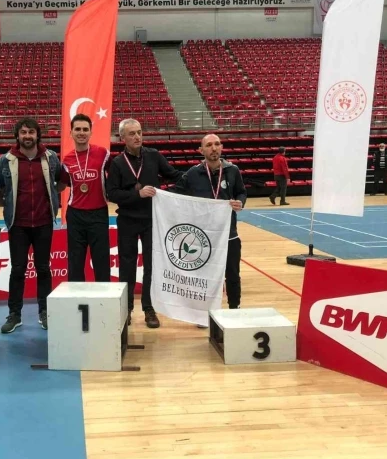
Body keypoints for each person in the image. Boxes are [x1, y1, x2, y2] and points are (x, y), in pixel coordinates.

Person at [106, 118, 184, 329]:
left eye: (139, 132)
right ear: (122, 137)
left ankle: (149, 308)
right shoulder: (117, 163)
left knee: (152, 266)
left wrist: (199, 173)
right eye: (132, 133)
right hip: (128, 220)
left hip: (152, 220)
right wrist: (137, 194)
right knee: (127, 266)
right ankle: (127, 308)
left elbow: (174, 175)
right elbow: (112, 193)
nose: (137, 136)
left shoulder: (154, 155)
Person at [0, 117, 62, 334]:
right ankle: (14, 314)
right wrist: (8, 206)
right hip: (18, 225)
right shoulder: (5, 160)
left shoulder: (51, 157)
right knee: (17, 270)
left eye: (31, 132)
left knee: (43, 269)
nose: (27, 136)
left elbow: (62, 181)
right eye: (23, 132)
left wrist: (52, 199)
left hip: (44, 222)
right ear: (17, 135)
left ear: (37, 135)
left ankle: (45, 311)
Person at [172, 134, 247, 310]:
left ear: (221, 147)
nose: (214, 148)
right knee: (203, 276)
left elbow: (241, 192)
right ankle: (203, 311)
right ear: (201, 150)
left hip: (228, 233)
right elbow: (176, 192)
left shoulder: (232, 170)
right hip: (203, 236)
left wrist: (240, 202)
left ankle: (234, 309)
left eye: (217, 144)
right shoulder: (193, 173)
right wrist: (157, 194)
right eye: (209, 145)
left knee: (232, 274)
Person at [60, 113, 111, 282]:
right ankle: (76, 295)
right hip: (75, 215)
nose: (81, 133)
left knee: (101, 261)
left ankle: (104, 295)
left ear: (91, 132)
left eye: (85, 129)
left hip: (99, 214)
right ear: (71, 133)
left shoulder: (103, 154)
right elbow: (64, 184)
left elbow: (115, 177)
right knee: (75, 262)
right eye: (77, 129)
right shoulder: (66, 160)